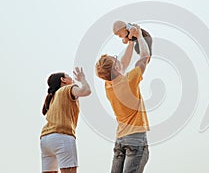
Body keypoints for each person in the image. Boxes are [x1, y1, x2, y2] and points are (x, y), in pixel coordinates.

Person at [96, 26, 151, 173]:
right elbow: (144, 57)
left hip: (120, 140)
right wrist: (139, 36)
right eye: (115, 60)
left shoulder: (108, 86)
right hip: (135, 139)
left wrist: (131, 42)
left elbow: (122, 65)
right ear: (116, 68)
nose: (118, 59)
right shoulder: (129, 81)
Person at [40, 67, 91, 173]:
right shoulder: (67, 89)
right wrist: (82, 79)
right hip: (62, 136)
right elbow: (86, 91)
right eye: (68, 75)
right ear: (63, 80)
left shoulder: (52, 98)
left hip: (45, 139)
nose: (70, 77)